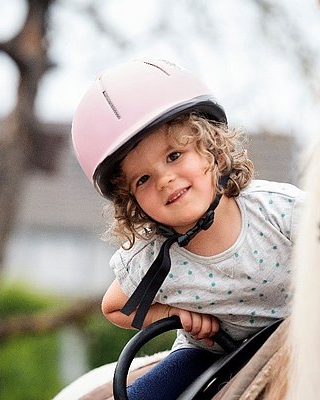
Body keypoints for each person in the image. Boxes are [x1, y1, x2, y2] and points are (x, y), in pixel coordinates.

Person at [71, 59, 304, 399]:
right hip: (205, 353)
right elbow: (115, 306)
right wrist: (175, 314)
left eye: (175, 155)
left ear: (213, 149)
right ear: (132, 201)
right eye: (143, 179)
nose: (165, 179)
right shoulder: (151, 256)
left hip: (297, 330)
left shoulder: (279, 211)